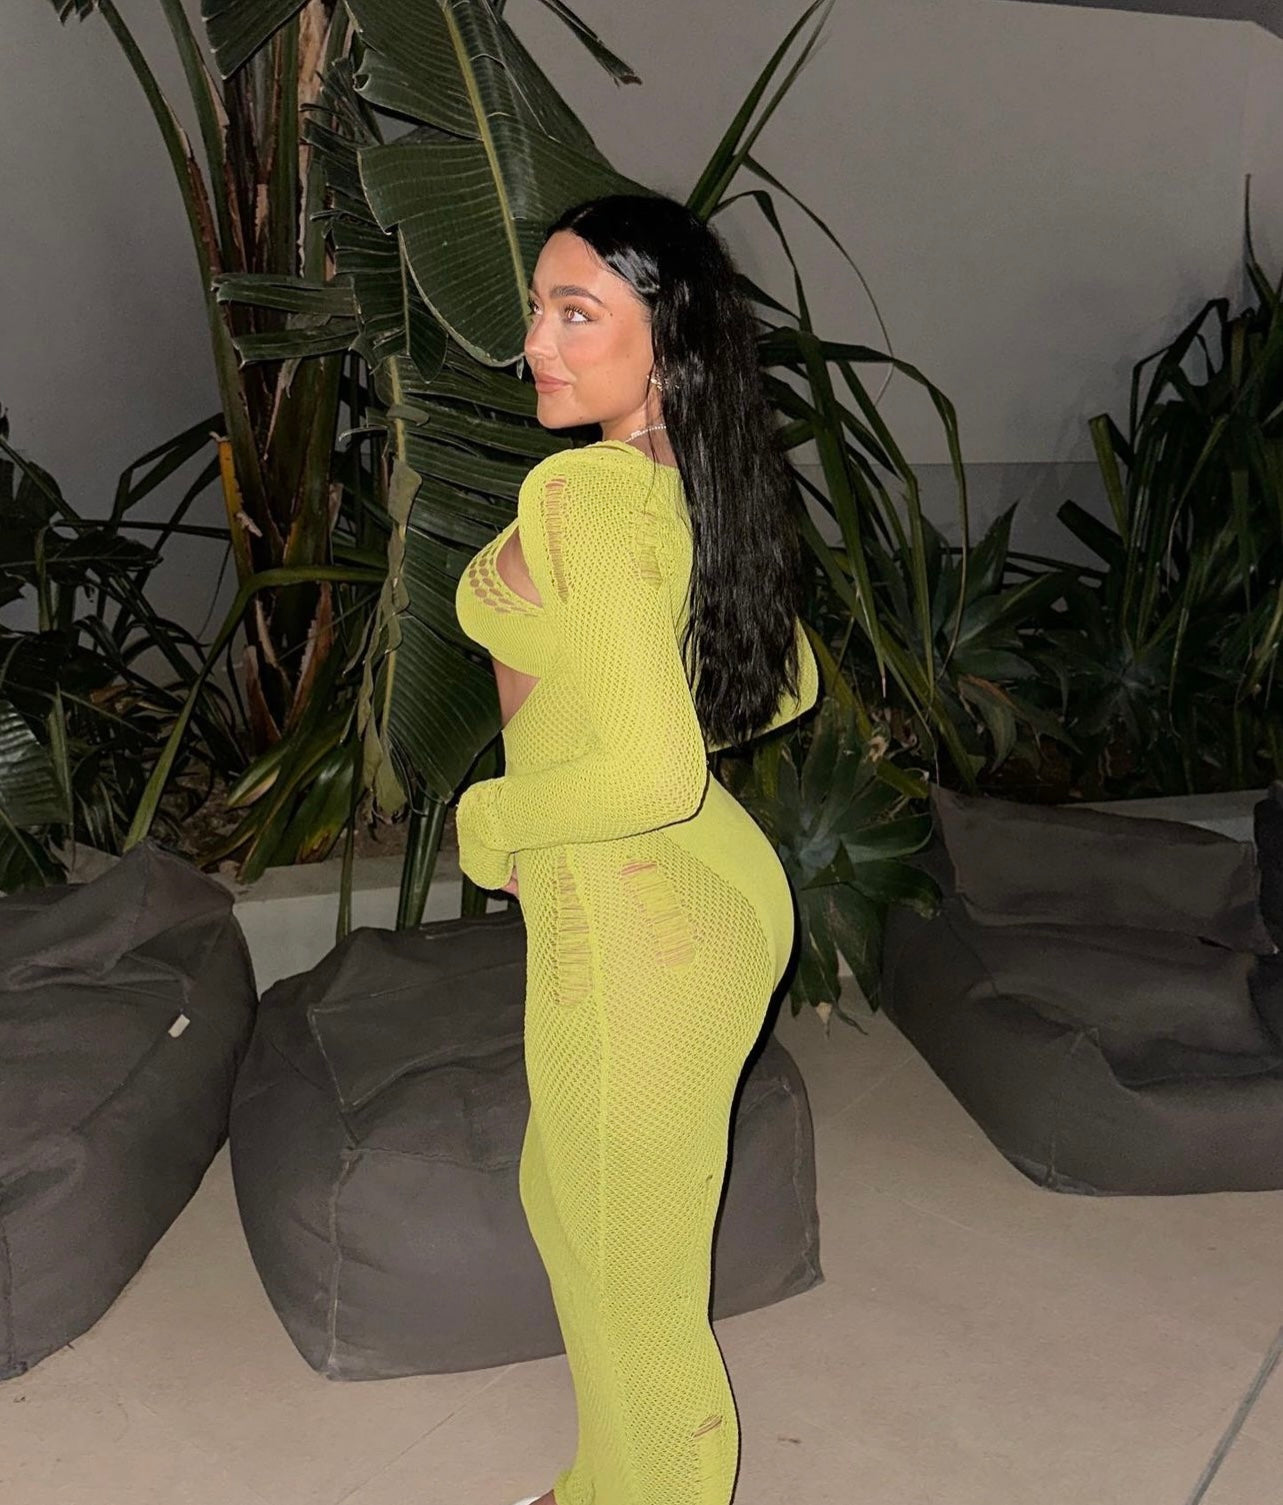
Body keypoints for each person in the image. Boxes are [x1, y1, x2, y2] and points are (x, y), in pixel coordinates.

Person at [453, 191, 819, 1505]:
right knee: (569, 1206)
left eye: (576, 313)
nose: (535, 345)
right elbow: (784, 682)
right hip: (699, 888)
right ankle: (600, 1480)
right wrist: (638, 699)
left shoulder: (587, 495)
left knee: (633, 1282)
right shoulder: (694, 481)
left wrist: (492, 820)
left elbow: (653, 772)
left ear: (667, 339)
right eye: (538, 310)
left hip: (635, 917)